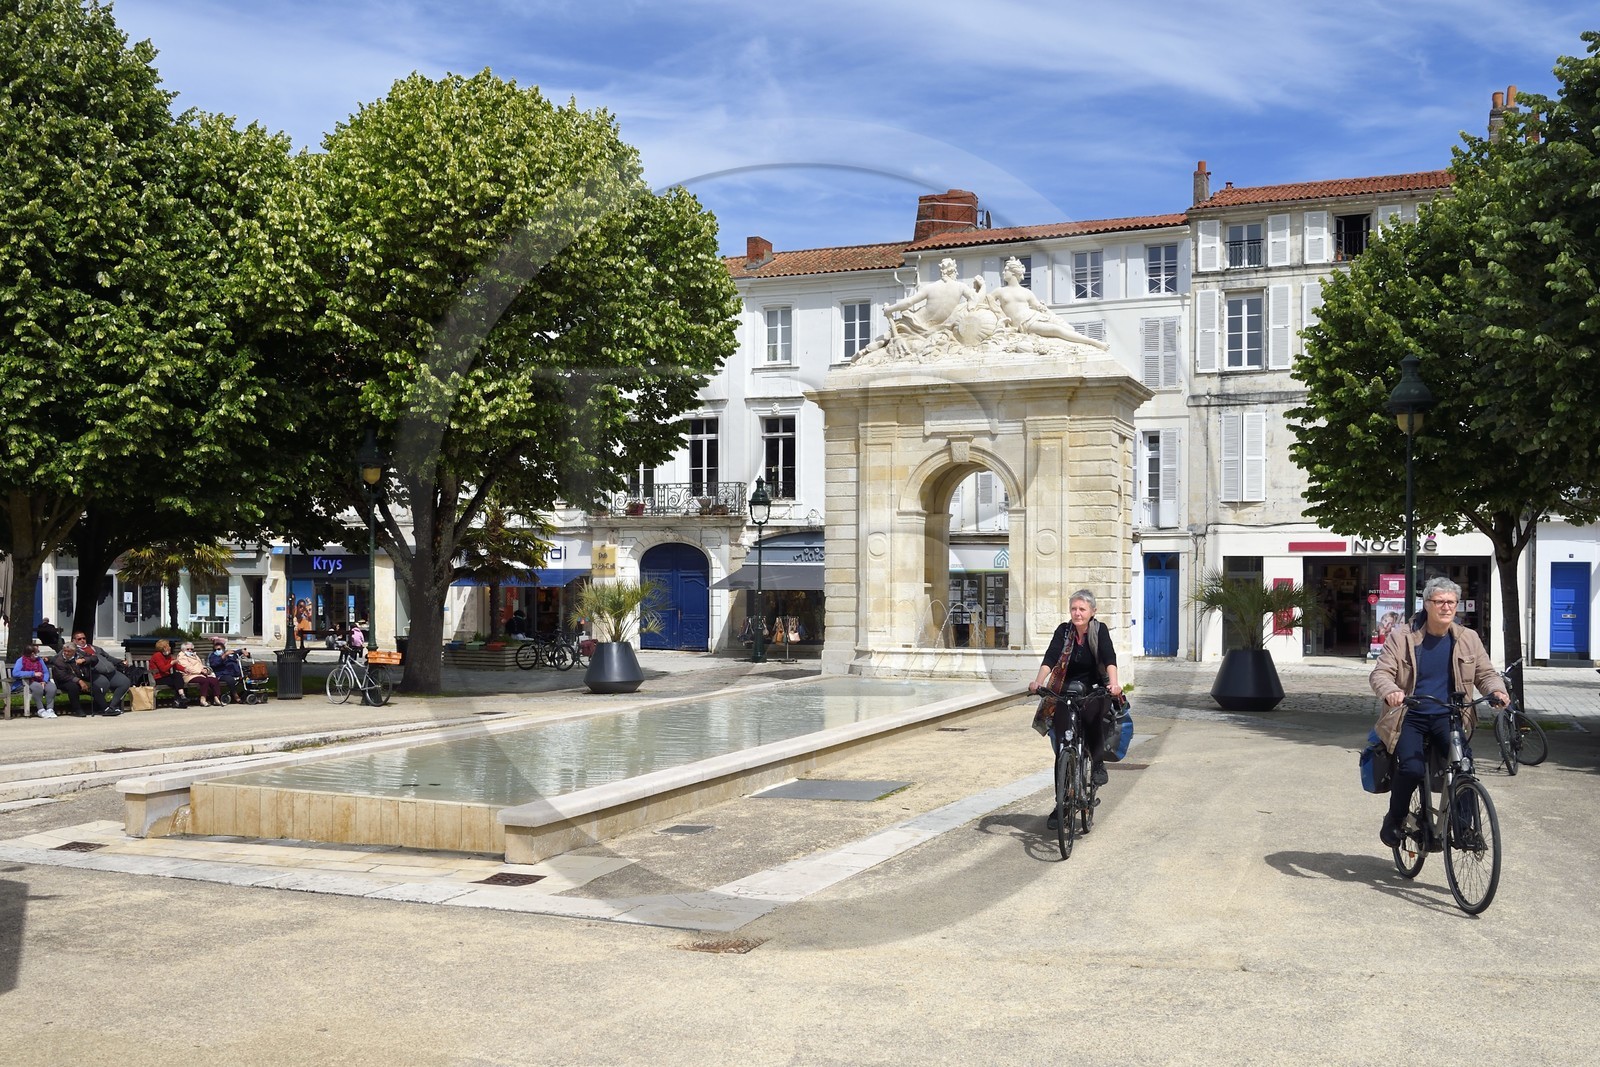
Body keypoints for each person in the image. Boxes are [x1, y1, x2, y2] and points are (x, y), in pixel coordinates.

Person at [1370, 576, 1507, 848]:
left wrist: (1497, 691)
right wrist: (1391, 692)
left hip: (1450, 715)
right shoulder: (1402, 637)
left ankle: (1466, 828)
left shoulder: (1468, 638)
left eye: (1451, 603)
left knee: (1464, 768)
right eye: (1440, 602)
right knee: (1410, 768)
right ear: (1427, 604)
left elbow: (1485, 673)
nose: (1446, 607)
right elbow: (1381, 673)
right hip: (1410, 715)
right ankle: (1394, 819)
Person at [1027, 589, 1124, 827]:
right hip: (1066, 689)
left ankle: (1098, 762)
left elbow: (1109, 658)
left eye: (1082, 609)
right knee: (1061, 745)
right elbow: (1050, 657)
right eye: (1074, 609)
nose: (1077, 613)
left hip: (1094, 688)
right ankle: (1062, 802)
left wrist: (1114, 684)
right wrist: (1038, 682)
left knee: (1092, 717)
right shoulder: (1064, 631)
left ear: (1092, 611)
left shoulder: (1099, 631)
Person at [987, 257, 1112, 349]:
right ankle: (1093, 342)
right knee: (1056, 330)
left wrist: (1053, 315)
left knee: (1068, 328)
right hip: (1024, 323)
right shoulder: (999, 291)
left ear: (1013, 273)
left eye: (1006, 270)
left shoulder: (1027, 292)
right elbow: (985, 304)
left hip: (1034, 316)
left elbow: (1039, 308)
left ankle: (1088, 342)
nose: (1003, 273)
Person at [883, 257, 983, 339]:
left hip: (915, 324)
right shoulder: (961, 287)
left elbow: (909, 302)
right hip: (933, 327)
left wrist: (889, 309)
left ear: (941, 273)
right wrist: (983, 286)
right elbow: (976, 299)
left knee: (888, 335)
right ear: (953, 272)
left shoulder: (930, 287)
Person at [70, 632, 129, 716]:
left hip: (110, 672)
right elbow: (63, 658)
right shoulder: (74, 651)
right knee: (103, 684)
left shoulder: (95, 648)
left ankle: (112, 707)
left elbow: (108, 657)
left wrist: (120, 661)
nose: (82, 640)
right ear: (74, 641)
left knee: (125, 682)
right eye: (79, 639)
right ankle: (102, 708)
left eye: (84, 638)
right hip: (94, 673)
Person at [12, 641, 58, 718]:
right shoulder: (21, 660)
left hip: (41, 681)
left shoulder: (39, 660)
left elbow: (45, 672)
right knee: (37, 687)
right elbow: (16, 673)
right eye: (35, 653)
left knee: (51, 687)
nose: (36, 655)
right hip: (26, 682)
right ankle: (41, 709)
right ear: (31, 653)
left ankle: (50, 709)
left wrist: (44, 681)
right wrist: (33, 674)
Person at [174, 641, 222, 707]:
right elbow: (188, 668)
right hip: (189, 675)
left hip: (200, 674)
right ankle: (203, 699)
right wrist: (201, 671)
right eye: (188, 649)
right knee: (204, 680)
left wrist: (206, 669)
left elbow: (201, 665)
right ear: (183, 649)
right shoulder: (181, 656)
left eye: (191, 649)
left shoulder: (194, 655)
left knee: (214, 680)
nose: (190, 650)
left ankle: (216, 698)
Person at [51, 642, 93, 717]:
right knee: (73, 687)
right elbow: (62, 676)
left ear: (74, 651)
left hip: (81, 678)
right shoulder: (59, 660)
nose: (66, 653)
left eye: (69, 651)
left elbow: (94, 658)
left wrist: (84, 660)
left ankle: (101, 706)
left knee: (97, 683)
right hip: (63, 681)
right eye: (65, 651)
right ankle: (77, 709)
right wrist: (79, 681)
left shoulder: (79, 655)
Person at [148, 639, 188, 708]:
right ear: (163, 647)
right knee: (177, 680)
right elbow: (163, 669)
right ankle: (180, 699)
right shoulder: (157, 655)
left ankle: (181, 697)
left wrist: (185, 669)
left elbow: (176, 666)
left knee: (178, 676)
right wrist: (171, 663)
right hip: (158, 678)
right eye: (168, 646)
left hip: (166, 676)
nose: (169, 647)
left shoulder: (168, 656)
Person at [208, 638, 244, 703]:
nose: (217, 651)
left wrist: (243, 651)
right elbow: (214, 664)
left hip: (233, 673)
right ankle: (235, 695)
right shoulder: (213, 656)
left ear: (223, 649)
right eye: (215, 650)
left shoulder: (229, 655)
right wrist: (224, 656)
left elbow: (236, 652)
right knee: (230, 679)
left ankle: (250, 694)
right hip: (221, 674)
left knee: (248, 677)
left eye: (219, 649)